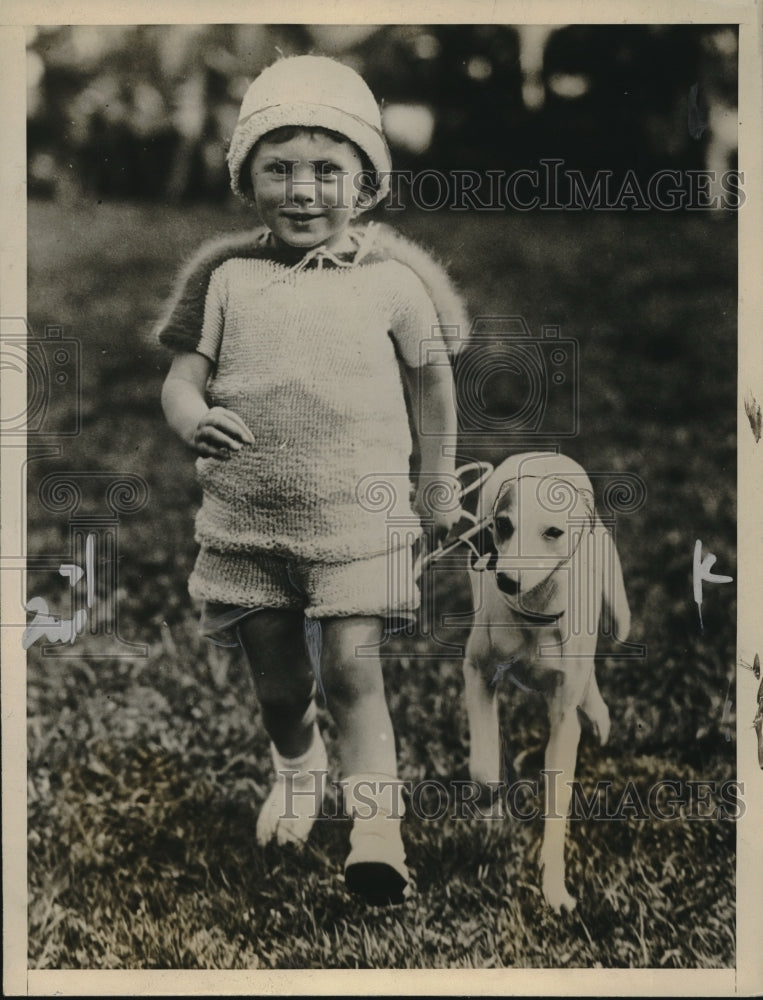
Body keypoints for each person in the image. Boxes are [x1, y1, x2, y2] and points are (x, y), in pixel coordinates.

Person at [156, 54, 467, 905]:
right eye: (278, 168)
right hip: (249, 525)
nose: (301, 189)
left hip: (358, 522)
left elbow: (433, 381)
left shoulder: (393, 284)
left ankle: (377, 836)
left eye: (326, 170)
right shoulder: (225, 279)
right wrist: (191, 416)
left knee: (352, 673)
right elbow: (181, 379)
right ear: (245, 178)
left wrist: (436, 482)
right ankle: (296, 768)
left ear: (365, 183)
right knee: (284, 685)